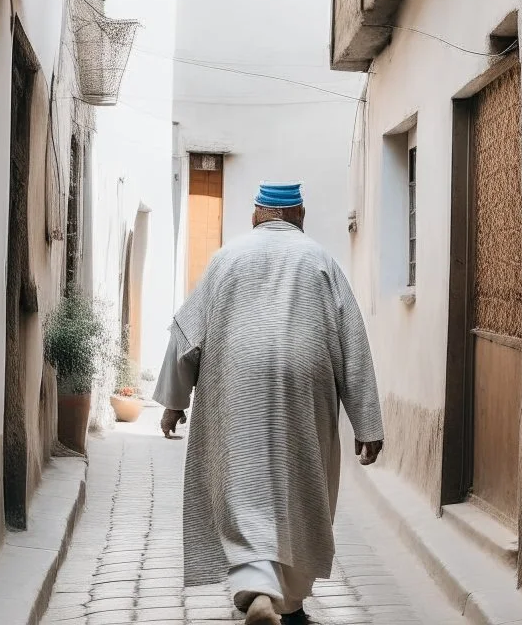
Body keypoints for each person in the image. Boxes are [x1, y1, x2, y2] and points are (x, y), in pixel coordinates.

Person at [153, 181, 385, 625]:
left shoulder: (226, 258)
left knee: (242, 486)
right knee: (301, 487)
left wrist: (174, 401)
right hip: (305, 387)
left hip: (237, 383)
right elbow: (354, 344)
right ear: (299, 216)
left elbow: (185, 335)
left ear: (256, 215)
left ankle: (258, 586)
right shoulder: (321, 261)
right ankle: (290, 601)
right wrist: (368, 424)